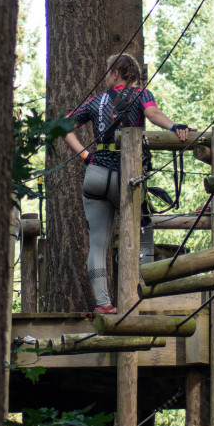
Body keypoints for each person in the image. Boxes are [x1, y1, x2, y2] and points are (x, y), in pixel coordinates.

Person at [62, 53, 192, 314]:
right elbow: (153, 114)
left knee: (98, 242)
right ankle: (138, 298)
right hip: (127, 175)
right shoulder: (142, 95)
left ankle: (104, 304)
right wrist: (174, 127)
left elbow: (63, 127)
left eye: (107, 72)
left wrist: (86, 155)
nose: (106, 77)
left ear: (116, 74)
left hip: (96, 174)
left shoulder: (96, 101)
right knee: (142, 237)